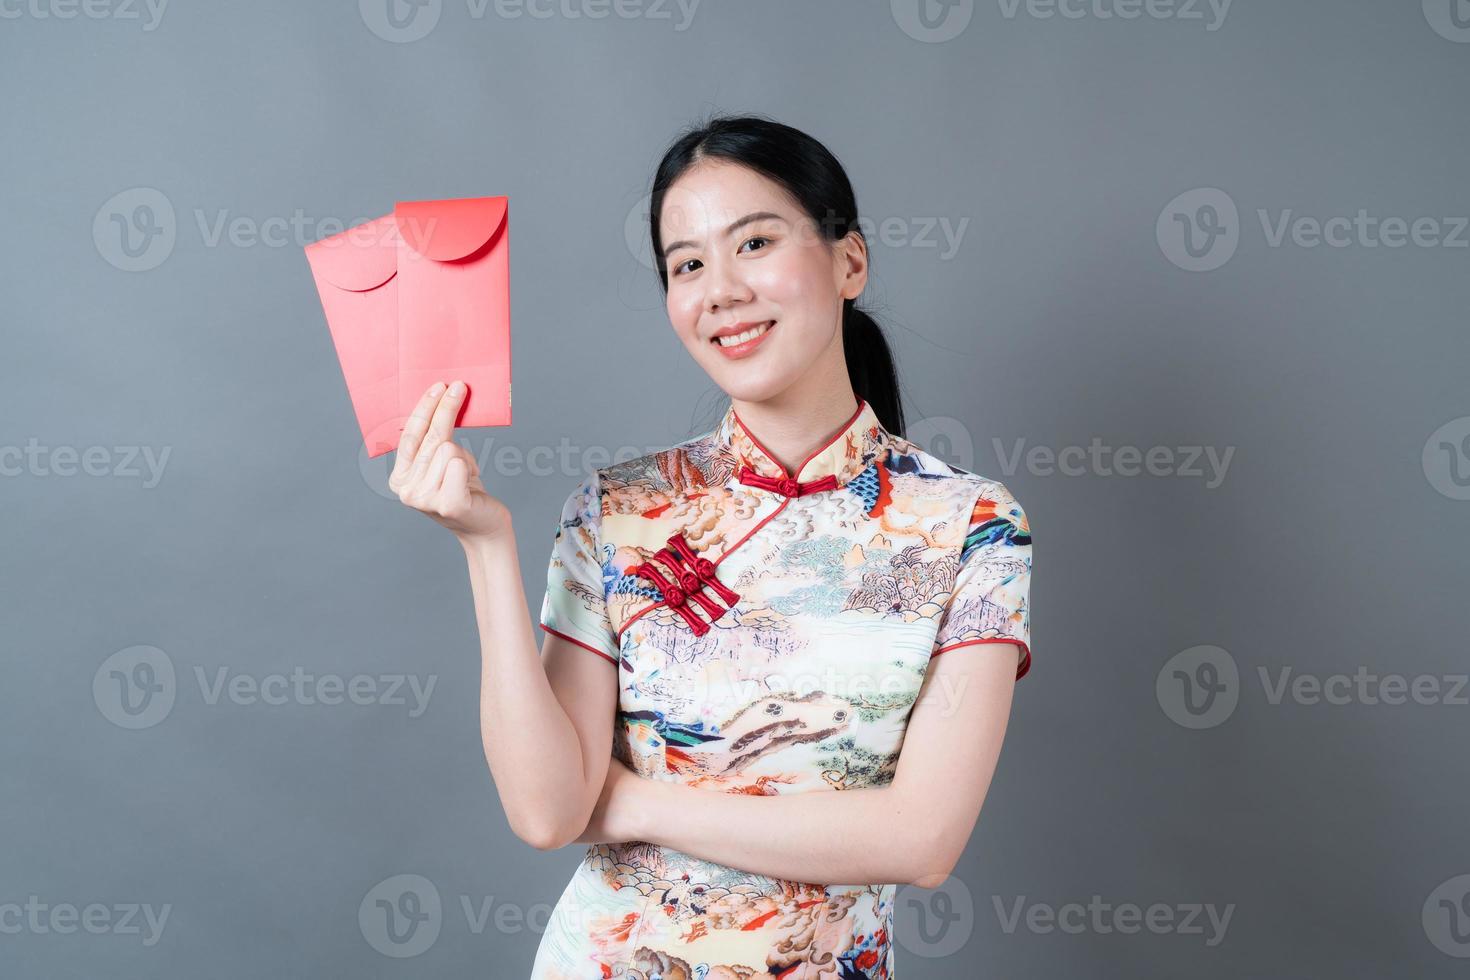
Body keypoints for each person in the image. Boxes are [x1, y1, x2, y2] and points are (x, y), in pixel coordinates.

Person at [390, 114, 1032, 979]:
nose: (720, 289)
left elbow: (921, 840)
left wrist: (632, 803)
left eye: (755, 243)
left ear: (849, 261)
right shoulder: (617, 512)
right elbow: (547, 813)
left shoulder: (971, 526)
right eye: (686, 264)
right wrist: (485, 546)